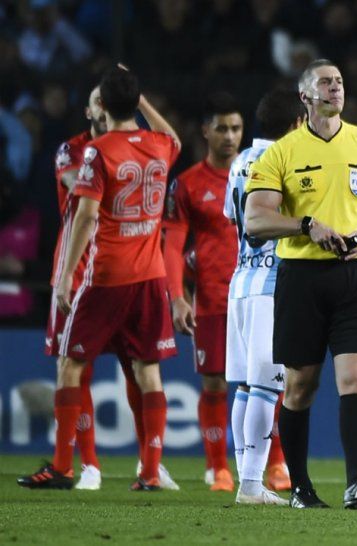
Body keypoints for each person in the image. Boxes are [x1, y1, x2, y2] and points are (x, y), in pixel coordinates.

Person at [245, 58, 357, 510]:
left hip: (356, 276)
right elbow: (255, 218)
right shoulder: (280, 153)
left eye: (339, 80)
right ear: (305, 97)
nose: (336, 88)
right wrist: (306, 225)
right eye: (325, 82)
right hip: (302, 279)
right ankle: (300, 488)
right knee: (301, 386)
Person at [18, 65, 182, 491]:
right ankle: (148, 471)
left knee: (71, 364)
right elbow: (176, 139)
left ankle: (62, 465)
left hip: (105, 273)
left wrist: (65, 277)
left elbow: (87, 214)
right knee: (148, 370)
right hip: (151, 277)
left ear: (102, 106)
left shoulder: (98, 151)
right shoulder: (160, 144)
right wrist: (141, 97)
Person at [224, 88, 305, 505]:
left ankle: (247, 481)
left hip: (240, 282)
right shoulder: (284, 161)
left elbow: (231, 218)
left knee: (245, 387)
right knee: (266, 388)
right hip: (273, 283)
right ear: (296, 123)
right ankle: (252, 485)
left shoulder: (239, 162)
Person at [163, 91, 243, 492]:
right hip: (211, 299)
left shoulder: (259, 175)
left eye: (236, 128)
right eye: (222, 128)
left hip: (256, 297)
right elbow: (172, 244)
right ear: (206, 132)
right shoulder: (188, 185)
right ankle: (217, 468)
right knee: (215, 383)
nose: (230, 136)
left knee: (269, 381)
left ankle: (277, 463)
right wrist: (177, 296)